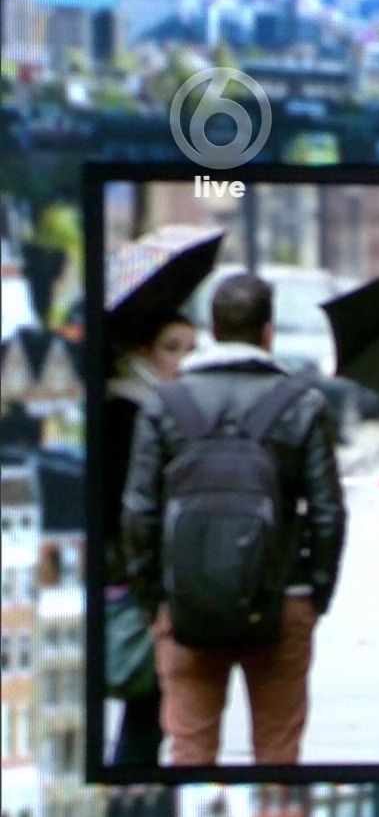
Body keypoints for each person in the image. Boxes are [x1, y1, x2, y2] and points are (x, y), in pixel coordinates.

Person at [123, 272, 346, 766]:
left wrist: (153, 599)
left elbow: (139, 512)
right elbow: (328, 513)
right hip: (282, 597)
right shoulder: (302, 404)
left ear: (212, 329)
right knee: (278, 753)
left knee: (190, 749)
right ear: (268, 333)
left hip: (186, 603)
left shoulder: (165, 404)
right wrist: (314, 593)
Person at [103, 314, 196, 766]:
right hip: (132, 576)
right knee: (146, 699)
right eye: (172, 348)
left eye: (192, 349)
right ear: (144, 352)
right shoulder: (133, 412)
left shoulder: (158, 408)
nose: (184, 361)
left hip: (133, 572)